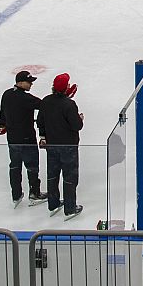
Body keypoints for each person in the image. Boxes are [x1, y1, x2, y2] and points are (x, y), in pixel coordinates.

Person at [0, 71, 48, 208]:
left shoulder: (7, 94)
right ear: (20, 82)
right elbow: (44, 105)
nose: (31, 84)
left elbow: (2, 116)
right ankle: (35, 194)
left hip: (12, 139)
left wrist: (1, 125)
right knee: (32, 167)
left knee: (15, 166)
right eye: (29, 82)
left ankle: (16, 194)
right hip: (27, 139)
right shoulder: (26, 98)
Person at [39, 72, 84, 217]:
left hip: (51, 146)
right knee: (70, 177)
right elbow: (77, 126)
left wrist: (43, 136)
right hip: (68, 146)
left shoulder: (46, 101)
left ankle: (53, 203)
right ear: (65, 88)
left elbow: (40, 122)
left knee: (52, 175)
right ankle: (70, 208)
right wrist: (80, 118)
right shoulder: (69, 104)